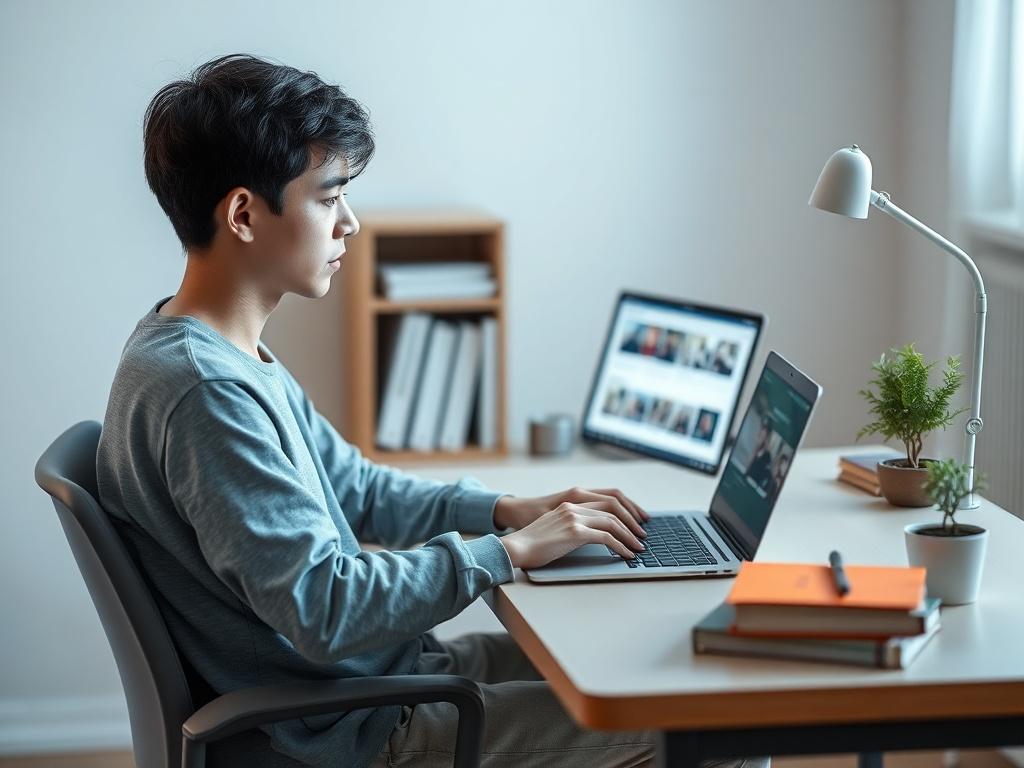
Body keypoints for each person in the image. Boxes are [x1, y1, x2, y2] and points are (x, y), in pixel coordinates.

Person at [96, 54, 766, 768]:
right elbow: (325, 609)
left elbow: (357, 489)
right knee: (720, 721)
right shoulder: (207, 392)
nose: (350, 222)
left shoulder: (208, 350)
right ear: (243, 214)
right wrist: (506, 555)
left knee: (648, 665)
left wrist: (508, 509)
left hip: (374, 683)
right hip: (357, 726)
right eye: (328, 197)